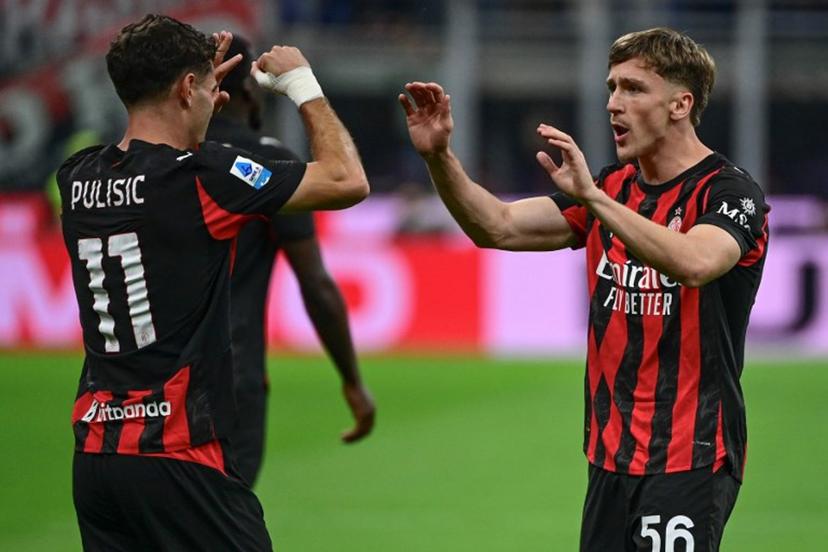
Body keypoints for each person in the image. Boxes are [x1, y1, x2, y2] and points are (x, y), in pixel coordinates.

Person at [400, 27, 768, 551]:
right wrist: (439, 156)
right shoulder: (613, 188)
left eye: (633, 89)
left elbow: (696, 261)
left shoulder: (730, 191)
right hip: (609, 456)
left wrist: (593, 200)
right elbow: (498, 225)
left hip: (690, 455)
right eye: (611, 89)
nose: (614, 104)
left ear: (680, 104)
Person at [58, 14, 368, 551]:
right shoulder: (207, 178)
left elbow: (145, 157)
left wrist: (190, 105)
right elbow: (346, 179)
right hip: (179, 455)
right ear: (185, 89)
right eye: (204, 86)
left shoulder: (78, 177)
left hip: (97, 458)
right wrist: (303, 84)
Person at [206, 35, 375, 487]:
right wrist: (352, 382)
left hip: (141, 388)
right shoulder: (263, 161)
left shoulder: (143, 161)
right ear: (242, 91)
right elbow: (315, 283)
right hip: (230, 379)